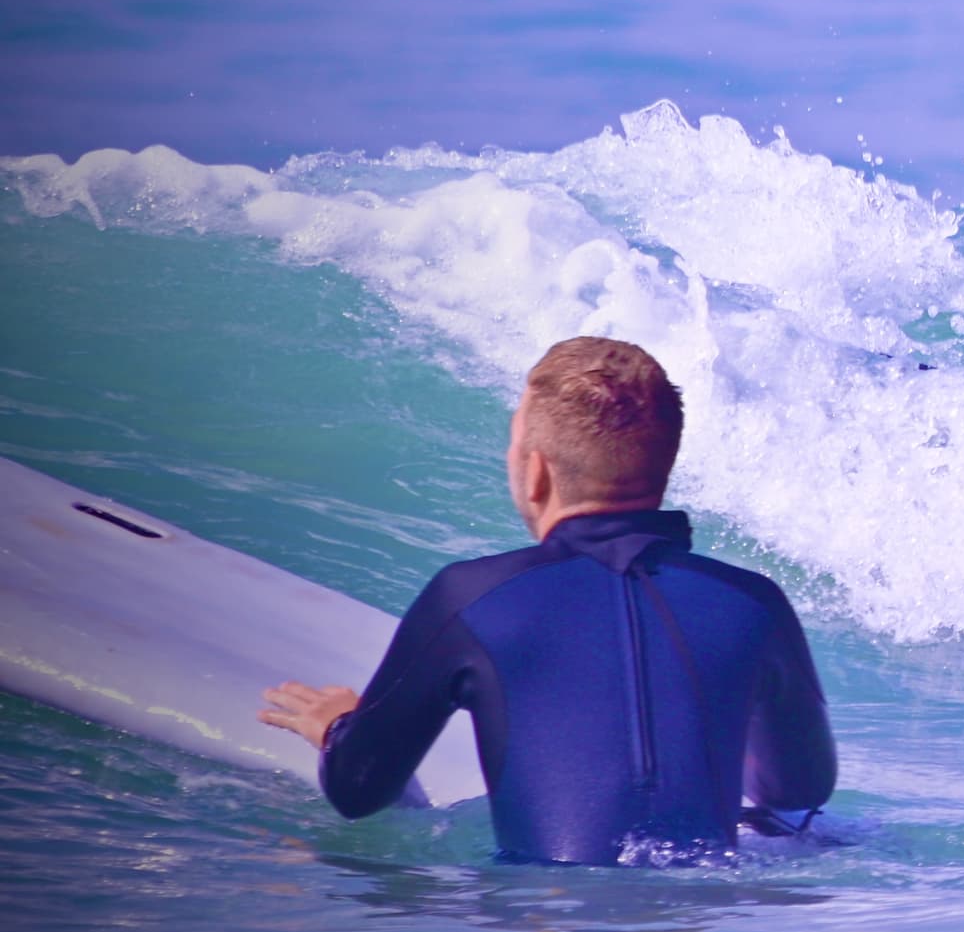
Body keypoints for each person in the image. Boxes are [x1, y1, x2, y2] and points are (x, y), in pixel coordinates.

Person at [259, 336, 836, 865]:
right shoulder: (752, 603)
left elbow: (359, 789)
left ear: (535, 472)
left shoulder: (470, 598)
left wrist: (337, 727)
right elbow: (800, 791)